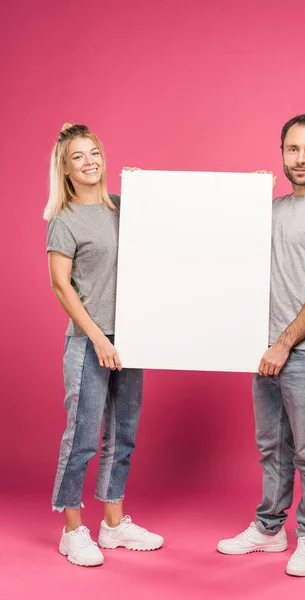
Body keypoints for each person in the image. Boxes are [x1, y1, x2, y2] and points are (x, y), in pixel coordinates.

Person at [217, 114, 305, 577]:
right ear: (281, 152)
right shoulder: (273, 208)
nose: (301, 158)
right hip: (265, 350)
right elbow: (225, 239)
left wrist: (284, 344)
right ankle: (269, 528)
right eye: (293, 149)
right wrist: (247, 198)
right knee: (272, 446)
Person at [44, 122, 163, 567]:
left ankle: (113, 524)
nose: (89, 161)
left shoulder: (126, 209)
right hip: (89, 343)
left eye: (93, 152)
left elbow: (180, 223)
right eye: (78, 156)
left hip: (133, 338)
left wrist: (245, 192)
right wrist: (97, 338)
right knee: (82, 438)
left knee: (122, 436)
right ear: (66, 169)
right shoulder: (65, 220)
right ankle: (72, 530)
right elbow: (61, 287)